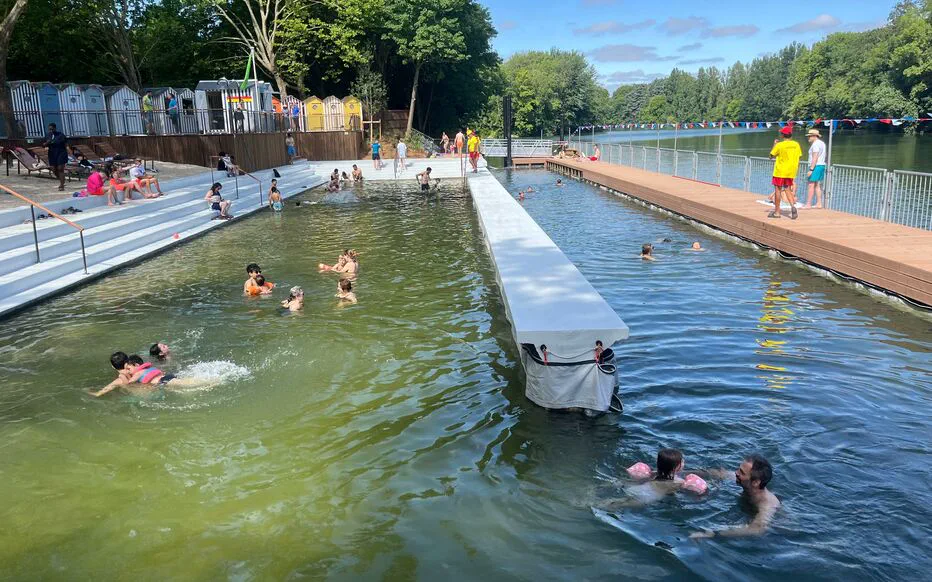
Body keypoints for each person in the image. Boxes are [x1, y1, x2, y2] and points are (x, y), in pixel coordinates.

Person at [691, 454, 780, 539]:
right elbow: (718, 474)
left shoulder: (768, 504)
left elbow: (757, 529)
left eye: (742, 472)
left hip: (777, 531)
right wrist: (682, 473)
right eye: (739, 469)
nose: (736, 473)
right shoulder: (741, 479)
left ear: (756, 482)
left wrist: (714, 533)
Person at [769, 126, 802, 220]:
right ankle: (793, 207)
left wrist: (775, 145)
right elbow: (799, 156)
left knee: (778, 190)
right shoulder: (796, 144)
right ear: (791, 135)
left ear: (783, 135)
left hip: (780, 171)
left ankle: (777, 212)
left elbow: (771, 156)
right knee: (788, 189)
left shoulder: (780, 145)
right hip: (790, 171)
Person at [42, 123, 68, 191]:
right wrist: (47, 143)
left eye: (52, 129)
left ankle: (61, 185)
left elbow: (65, 143)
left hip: (61, 153)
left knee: (60, 168)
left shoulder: (60, 135)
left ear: (55, 128)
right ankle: (62, 179)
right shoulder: (48, 135)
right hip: (52, 154)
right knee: (53, 169)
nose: (51, 130)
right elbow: (43, 145)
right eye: (49, 129)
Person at [805, 128, 826, 208]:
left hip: (815, 166)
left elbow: (815, 157)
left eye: (809, 136)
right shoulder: (822, 143)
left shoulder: (816, 144)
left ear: (814, 136)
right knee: (817, 185)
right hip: (821, 165)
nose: (808, 138)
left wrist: (811, 169)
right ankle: (819, 203)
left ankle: (808, 204)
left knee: (811, 184)